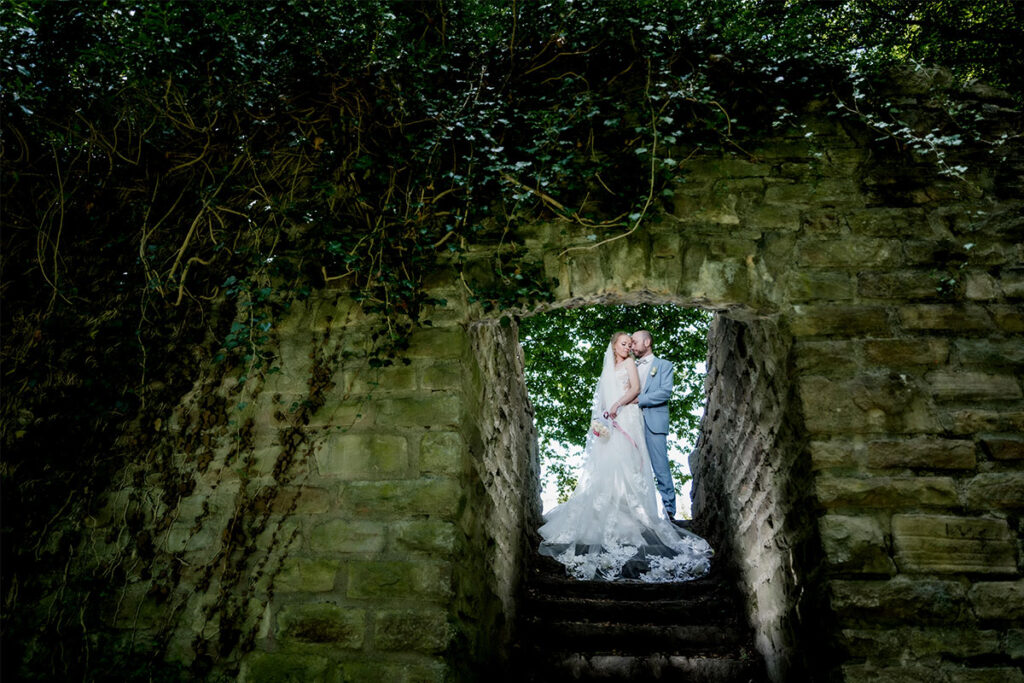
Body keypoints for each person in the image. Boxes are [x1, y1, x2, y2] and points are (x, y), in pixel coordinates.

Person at [537, 332, 712, 582]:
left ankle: (656, 513)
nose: (629, 346)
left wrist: (619, 405)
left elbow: (639, 389)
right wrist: (601, 418)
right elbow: (603, 397)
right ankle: (610, 510)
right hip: (612, 418)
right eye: (625, 343)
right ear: (614, 345)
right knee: (609, 465)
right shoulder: (611, 366)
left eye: (631, 343)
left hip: (630, 416)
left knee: (639, 465)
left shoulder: (641, 364)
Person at [631, 329, 677, 520]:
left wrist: (640, 400)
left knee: (660, 467)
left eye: (634, 342)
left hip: (654, 423)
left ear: (647, 342)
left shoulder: (664, 365)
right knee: (633, 467)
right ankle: (637, 513)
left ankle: (669, 511)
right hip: (631, 422)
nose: (631, 346)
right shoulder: (630, 366)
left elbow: (665, 392)